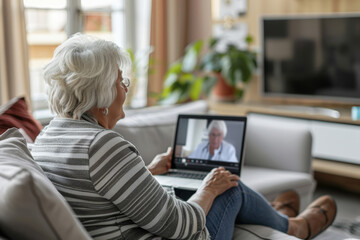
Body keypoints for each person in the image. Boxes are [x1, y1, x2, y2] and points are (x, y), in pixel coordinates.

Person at [31, 33, 337, 240]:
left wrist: (146, 171)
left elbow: (93, 189)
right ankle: (295, 227)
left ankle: (275, 215)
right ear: (101, 97)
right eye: (120, 81)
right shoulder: (102, 145)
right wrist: (208, 188)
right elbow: (178, 225)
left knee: (205, 186)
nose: (125, 87)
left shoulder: (47, 138)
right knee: (226, 185)